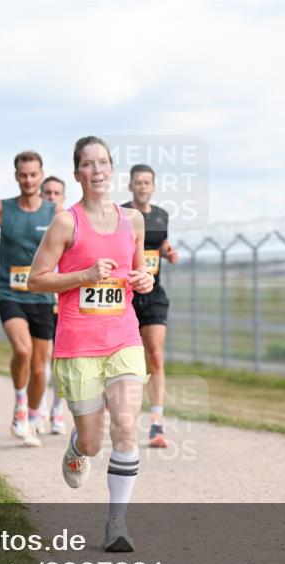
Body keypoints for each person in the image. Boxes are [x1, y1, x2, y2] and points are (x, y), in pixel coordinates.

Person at [28, 136, 154, 553]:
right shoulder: (67, 223)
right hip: (79, 343)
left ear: (112, 169)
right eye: (88, 164)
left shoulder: (132, 220)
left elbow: (140, 271)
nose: (97, 170)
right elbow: (37, 279)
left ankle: (117, 524)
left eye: (103, 162)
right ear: (77, 172)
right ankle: (78, 447)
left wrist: (145, 279)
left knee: (125, 426)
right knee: (95, 440)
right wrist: (83, 276)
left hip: (123, 337)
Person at [0, 150, 57, 447]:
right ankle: (19, 407)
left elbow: (65, 247)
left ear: (41, 175)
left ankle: (33, 416)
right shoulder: (1, 208)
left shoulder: (53, 211)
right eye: (23, 175)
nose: (28, 180)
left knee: (40, 366)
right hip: (9, 292)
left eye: (33, 174)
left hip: (42, 294)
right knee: (22, 351)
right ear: (16, 176)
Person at [122, 164, 179, 447]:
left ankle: (157, 424)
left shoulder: (161, 215)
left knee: (155, 356)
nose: (143, 187)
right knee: (124, 358)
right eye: (138, 182)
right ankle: (118, 409)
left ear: (153, 186)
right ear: (130, 186)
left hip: (154, 293)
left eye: (147, 182)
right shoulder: (121, 214)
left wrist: (168, 253)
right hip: (125, 294)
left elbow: (161, 243)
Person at [40, 175, 69, 436]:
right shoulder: (33, 226)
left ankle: (57, 410)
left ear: (63, 197)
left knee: (59, 361)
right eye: (47, 193)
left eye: (56, 193)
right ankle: (37, 409)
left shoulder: (71, 224)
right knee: (41, 358)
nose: (51, 197)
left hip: (65, 302)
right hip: (39, 300)